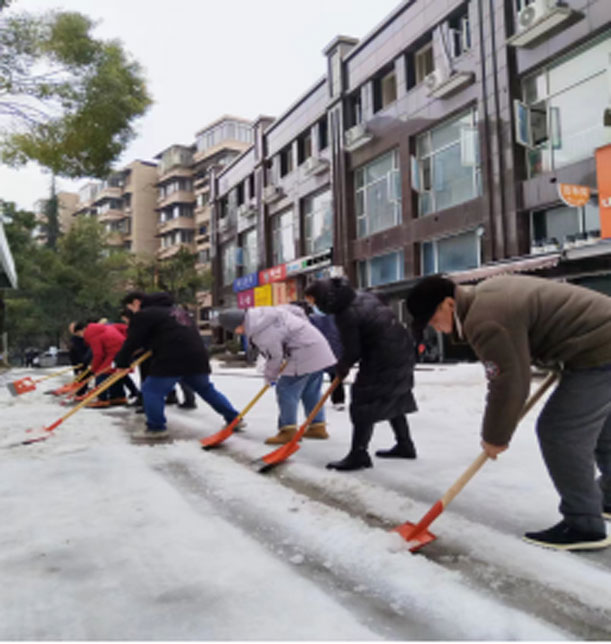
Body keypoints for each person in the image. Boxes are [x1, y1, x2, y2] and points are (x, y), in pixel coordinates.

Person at [406, 273, 611, 551]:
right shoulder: (484, 299)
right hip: (595, 347)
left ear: (448, 304)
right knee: (601, 427)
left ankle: (584, 525)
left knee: (560, 432)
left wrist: (495, 436)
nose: (437, 329)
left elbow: (509, 381)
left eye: (433, 320)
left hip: (600, 352)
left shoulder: (485, 319)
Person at [304, 278, 418, 471]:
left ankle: (359, 454)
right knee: (393, 396)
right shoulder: (361, 296)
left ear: (323, 298)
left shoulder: (345, 313)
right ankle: (405, 444)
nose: (313, 307)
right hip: (403, 349)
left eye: (313, 302)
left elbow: (353, 350)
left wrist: (342, 367)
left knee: (363, 400)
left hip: (383, 356)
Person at [115, 291, 241, 440]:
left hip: (170, 357)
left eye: (130, 307)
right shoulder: (179, 311)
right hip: (196, 356)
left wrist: (122, 362)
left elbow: (133, 341)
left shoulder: (144, 314)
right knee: (206, 389)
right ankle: (234, 418)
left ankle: (156, 428)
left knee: (152, 390)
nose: (131, 311)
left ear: (136, 302)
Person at [217, 304, 336, 445]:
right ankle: (317, 426)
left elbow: (275, 357)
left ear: (238, 325)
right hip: (318, 346)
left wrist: (270, 377)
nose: (238, 333)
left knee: (286, 389)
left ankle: (288, 431)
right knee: (311, 390)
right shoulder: (265, 314)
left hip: (303, 352)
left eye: (235, 330)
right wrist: (301, 330)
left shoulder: (261, 331)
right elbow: (297, 310)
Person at [295, 299, 346, 410]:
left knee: (317, 377)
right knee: (333, 376)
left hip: (323, 351)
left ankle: (316, 399)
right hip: (332, 351)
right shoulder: (336, 318)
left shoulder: (312, 319)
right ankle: (337, 400)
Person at [72, 321, 127, 407]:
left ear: (82, 330)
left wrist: (94, 369)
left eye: (79, 334)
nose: (82, 337)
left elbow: (98, 354)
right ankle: (118, 396)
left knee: (101, 374)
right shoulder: (100, 328)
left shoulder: (92, 334)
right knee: (114, 373)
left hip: (115, 352)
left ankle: (102, 399)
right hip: (121, 350)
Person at [68, 321, 92, 397]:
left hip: (86, 363)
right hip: (79, 363)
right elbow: (74, 355)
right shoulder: (74, 341)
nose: (71, 330)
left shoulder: (86, 338)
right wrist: (78, 368)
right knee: (81, 379)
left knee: (85, 378)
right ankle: (80, 393)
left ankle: (82, 392)